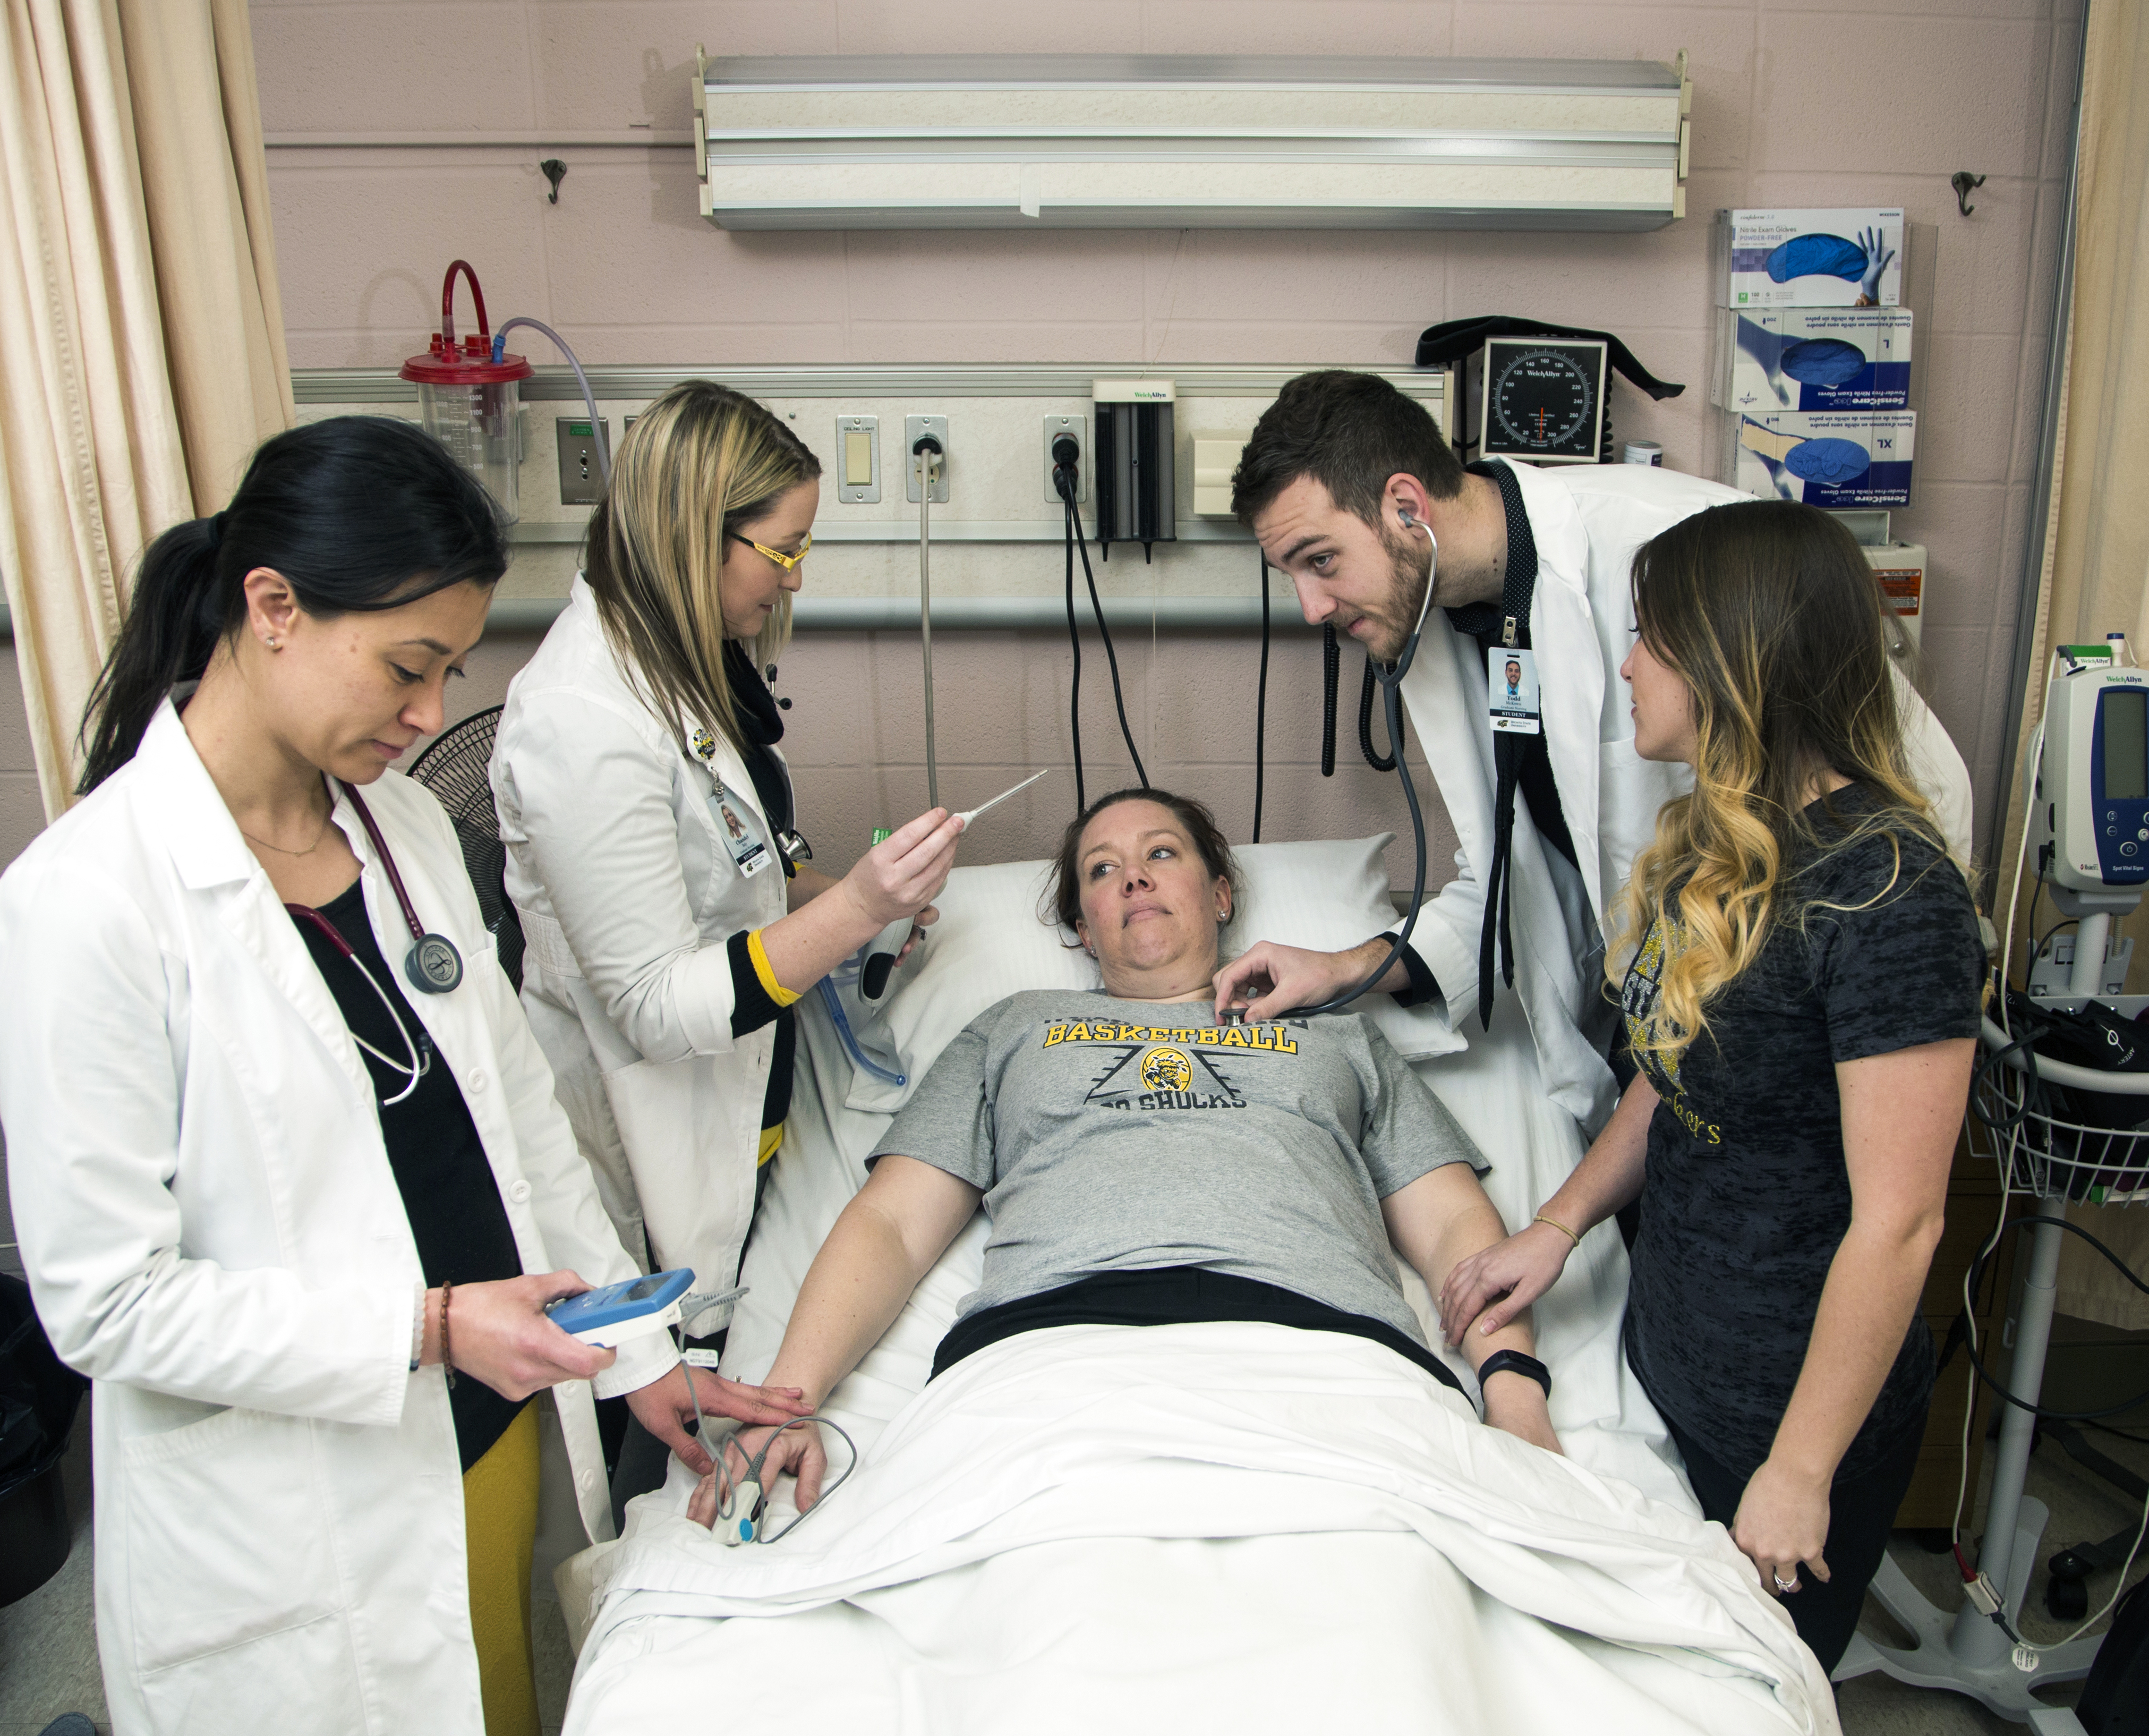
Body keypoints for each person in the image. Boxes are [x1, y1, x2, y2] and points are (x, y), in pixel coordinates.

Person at [0, 418, 807, 1736]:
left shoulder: (400, 823)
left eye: (448, 669)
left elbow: (521, 1123)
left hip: (485, 1432)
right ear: (272, 607)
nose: (431, 717)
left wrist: (630, 1346)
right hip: (300, 1504)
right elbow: (105, 1304)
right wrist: (424, 1329)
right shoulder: (84, 903)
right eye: (407, 668)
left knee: (498, 1692)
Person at [1437, 500, 1983, 1672]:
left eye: (1649, 637)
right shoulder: (1725, 848)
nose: (1626, 666)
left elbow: (1901, 1223)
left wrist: (1797, 1469)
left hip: (1793, 1417)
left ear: (1735, 654)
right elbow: (1665, 1074)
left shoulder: (1886, 889)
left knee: (1754, 1687)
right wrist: (1557, 1223)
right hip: (1674, 1364)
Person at [692, 787, 1562, 1520]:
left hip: (1325, 1355)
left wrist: (1513, 1391)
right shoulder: (1011, 1028)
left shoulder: (1338, 1039)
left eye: (1161, 855)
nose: (1133, 876)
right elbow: (890, 1223)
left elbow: (1454, 1226)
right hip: (1049, 1361)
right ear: (1079, 926)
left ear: (1222, 895)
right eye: (1101, 870)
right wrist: (786, 1405)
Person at [1216, 370, 1974, 1134]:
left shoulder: (1678, 552)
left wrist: (1871, 1011)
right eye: (1292, 575)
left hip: (1799, 1052)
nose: (1311, 607)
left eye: (1320, 561)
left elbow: (1911, 795)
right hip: (1662, 1047)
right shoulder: (1440, 615)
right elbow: (1520, 881)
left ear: (1405, 507)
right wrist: (1353, 967)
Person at [491, 380, 965, 1373]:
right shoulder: (584, 720)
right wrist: (854, 907)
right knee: (661, 1389)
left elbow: (733, 869)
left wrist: (854, 905)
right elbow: (658, 1006)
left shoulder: (678, 668)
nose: (792, 582)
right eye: (783, 551)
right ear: (690, 533)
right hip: (646, 1123)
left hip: (738, 1099)